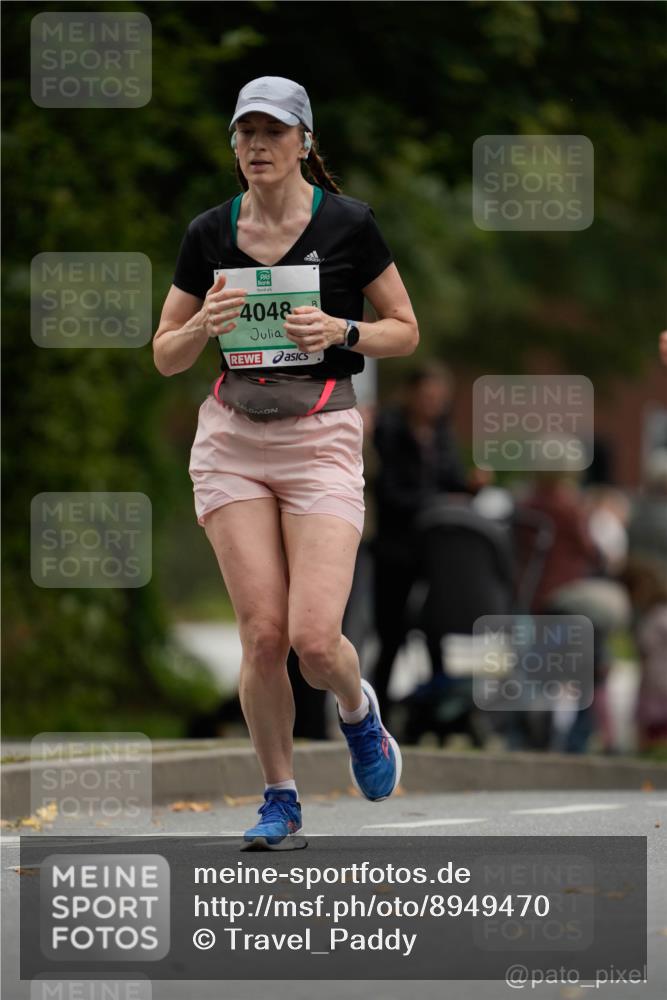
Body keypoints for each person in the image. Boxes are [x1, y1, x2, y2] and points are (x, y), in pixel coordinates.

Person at [153, 77, 419, 849]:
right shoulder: (209, 233)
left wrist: (341, 329)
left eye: (273, 133)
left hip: (319, 438)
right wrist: (203, 321)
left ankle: (358, 714)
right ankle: (280, 797)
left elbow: (404, 329)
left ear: (304, 141)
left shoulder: (348, 225)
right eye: (245, 134)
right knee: (263, 636)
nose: (257, 147)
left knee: (311, 639)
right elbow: (165, 355)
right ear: (233, 146)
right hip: (233, 439)